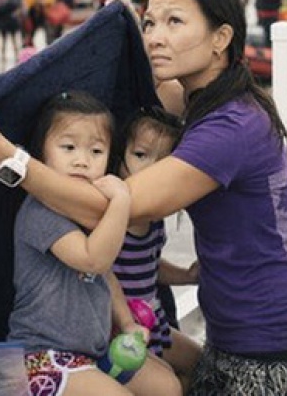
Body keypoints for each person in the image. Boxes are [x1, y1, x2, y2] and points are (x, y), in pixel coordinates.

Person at [0, 0, 287, 396]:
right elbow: (99, 103)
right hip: (235, 339)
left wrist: (4, 155)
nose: (155, 37)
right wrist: (112, 32)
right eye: (149, 23)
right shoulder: (199, 99)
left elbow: (113, 205)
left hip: (275, 352)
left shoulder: (232, 125)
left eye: (175, 22)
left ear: (221, 38)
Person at [7, 90, 180, 396]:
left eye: (96, 151)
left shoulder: (86, 213)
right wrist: (121, 201)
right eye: (68, 147)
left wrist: (126, 323)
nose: (82, 161)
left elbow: (105, 274)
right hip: (43, 356)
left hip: (95, 352)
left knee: (166, 386)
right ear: (41, 155)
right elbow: (92, 260)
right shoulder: (39, 210)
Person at [113, 108, 202, 388]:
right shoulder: (110, 217)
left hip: (155, 323)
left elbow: (151, 266)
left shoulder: (154, 220)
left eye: (163, 162)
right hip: (120, 331)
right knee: (164, 386)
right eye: (140, 155)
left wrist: (187, 276)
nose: (151, 169)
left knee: (199, 363)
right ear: (119, 158)